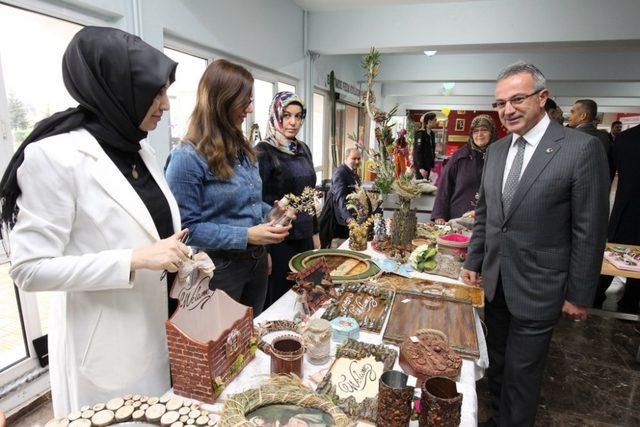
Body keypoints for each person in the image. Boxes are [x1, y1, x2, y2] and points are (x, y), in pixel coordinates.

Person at [0, 27, 189, 416]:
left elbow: (152, 234)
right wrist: (134, 259)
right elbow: (29, 270)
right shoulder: (54, 158)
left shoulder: (140, 150)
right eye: (156, 92)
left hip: (159, 331)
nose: (165, 105)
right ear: (116, 87)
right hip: (108, 348)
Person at [461, 62, 609, 427]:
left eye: (517, 99)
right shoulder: (495, 151)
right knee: (495, 364)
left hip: (540, 286)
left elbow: (589, 230)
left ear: (542, 97)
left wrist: (578, 293)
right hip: (495, 283)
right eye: (499, 103)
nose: (507, 110)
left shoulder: (580, 149)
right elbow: (486, 215)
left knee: (523, 375)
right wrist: (474, 261)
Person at [165, 59, 290, 317]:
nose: (250, 108)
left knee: (249, 338)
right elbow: (187, 229)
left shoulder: (242, 149)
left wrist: (271, 213)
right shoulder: (187, 158)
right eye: (245, 101)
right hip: (219, 271)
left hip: (254, 263)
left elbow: (248, 203)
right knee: (222, 348)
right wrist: (247, 235)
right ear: (222, 102)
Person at [256, 91, 318, 309]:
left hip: (305, 239)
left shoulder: (303, 150)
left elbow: (310, 196)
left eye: (298, 116)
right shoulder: (263, 151)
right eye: (286, 115)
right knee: (282, 300)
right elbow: (258, 203)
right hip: (278, 241)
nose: (293, 122)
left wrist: (315, 234)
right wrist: (265, 253)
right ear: (275, 115)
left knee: (309, 295)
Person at [594, 124, 640, 313]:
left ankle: (594, 297)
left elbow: (606, 179)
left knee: (613, 259)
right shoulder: (625, 139)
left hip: (626, 212)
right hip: (626, 211)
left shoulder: (625, 138)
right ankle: (629, 303)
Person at [431, 114, 498, 224]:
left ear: (492, 132)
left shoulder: (501, 155)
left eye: (484, 130)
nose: (479, 134)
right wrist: (440, 214)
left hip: (489, 220)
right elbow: (444, 186)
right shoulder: (459, 156)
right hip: (459, 219)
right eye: (475, 131)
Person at [318, 148, 361, 248]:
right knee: (339, 247)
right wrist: (348, 218)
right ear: (346, 158)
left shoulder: (351, 171)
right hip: (337, 217)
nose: (357, 161)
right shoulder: (340, 172)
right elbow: (340, 197)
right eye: (354, 158)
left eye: (359, 159)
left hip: (347, 213)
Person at [566, 98, 613, 179]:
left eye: (572, 112)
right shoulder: (604, 136)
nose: (569, 116)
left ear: (583, 116)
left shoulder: (570, 136)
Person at [412, 112, 437, 180]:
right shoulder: (420, 133)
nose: (436, 122)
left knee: (426, 185)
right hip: (421, 165)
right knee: (420, 186)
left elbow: (431, 149)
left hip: (428, 164)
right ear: (429, 121)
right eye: (435, 120)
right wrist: (421, 168)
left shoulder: (432, 133)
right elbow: (417, 152)